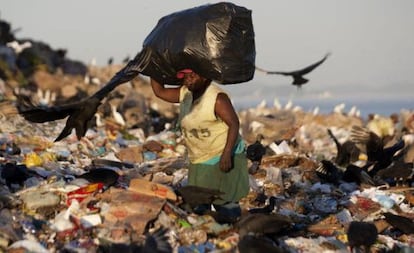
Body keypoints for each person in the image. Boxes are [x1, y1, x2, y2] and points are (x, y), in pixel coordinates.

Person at [150, 69, 249, 221]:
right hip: (199, 158)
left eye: (192, 76)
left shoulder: (217, 98)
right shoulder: (185, 94)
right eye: (185, 77)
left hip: (221, 155)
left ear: (205, 77)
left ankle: (234, 231)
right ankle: (211, 232)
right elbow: (160, 92)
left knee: (225, 200)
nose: (188, 80)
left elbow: (234, 123)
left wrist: (227, 154)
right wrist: (153, 67)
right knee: (199, 201)